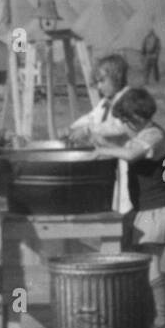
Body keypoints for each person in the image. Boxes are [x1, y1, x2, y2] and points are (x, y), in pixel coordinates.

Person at [92, 87, 165, 328]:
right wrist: (96, 137)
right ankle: (146, 313)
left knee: (150, 265)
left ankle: (161, 320)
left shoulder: (154, 135)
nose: (123, 125)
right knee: (136, 262)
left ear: (136, 118)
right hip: (145, 210)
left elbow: (131, 153)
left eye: (126, 121)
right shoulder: (142, 130)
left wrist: (102, 150)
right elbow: (117, 138)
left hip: (158, 211)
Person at [66, 55, 133, 213]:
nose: (99, 87)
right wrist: (73, 128)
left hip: (128, 158)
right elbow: (92, 117)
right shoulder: (105, 102)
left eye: (102, 81)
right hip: (111, 160)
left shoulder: (129, 100)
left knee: (128, 203)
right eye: (97, 82)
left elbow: (118, 126)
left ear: (116, 78)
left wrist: (89, 129)